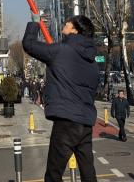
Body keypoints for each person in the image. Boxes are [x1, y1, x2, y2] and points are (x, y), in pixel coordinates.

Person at [22, 14, 99, 182]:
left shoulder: (61, 51)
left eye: (67, 23)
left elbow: (28, 45)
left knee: (53, 174)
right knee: (88, 173)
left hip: (66, 122)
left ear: (74, 30)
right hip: (85, 122)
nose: (64, 23)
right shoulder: (92, 63)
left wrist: (34, 24)